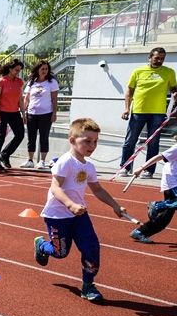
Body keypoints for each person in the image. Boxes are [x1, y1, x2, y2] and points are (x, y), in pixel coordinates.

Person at [33, 118, 127, 302]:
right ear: (72, 140)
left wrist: (115, 205)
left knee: (91, 247)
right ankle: (42, 245)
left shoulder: (89, 166)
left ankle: (88, 285)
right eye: (87, 141)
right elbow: (55, 188)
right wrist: (70, 204)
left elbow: (97, 189)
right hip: (58, 215)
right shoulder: (65, 162)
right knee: (60, 253)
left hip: (79, 216)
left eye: (95, 141)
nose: (92, 146)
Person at [120, 47, 177, 178]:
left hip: (158, 113)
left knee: (153, 143)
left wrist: (175, 94)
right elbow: (129, 91)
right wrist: (127, 109)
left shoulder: (169, 72)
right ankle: (125, 167)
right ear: (150, 57)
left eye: (162, 59)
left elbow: (174, 88)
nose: (159, 61)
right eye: (157, 58)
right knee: (130, 140)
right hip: (138, 111)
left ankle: (148, 170)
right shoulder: (138, 71)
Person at [130, 136, 177, 243]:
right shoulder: (176, 148)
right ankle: (156, 205)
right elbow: (158, 157)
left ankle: (141, 232)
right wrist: (141, 168)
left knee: (165, 218)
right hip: (172, 182)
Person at [20, 60, 59, 169]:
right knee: (31, 137)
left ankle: (42, 160)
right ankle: (30, 160)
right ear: (37, 69)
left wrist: (54, 113)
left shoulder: (52, 82)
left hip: (46, 114)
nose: (44, 71)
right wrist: (24, 112)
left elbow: (54, 99)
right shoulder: (32, 81)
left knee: (44, 137)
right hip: (32, 113)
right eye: (42, 69)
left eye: (46, 69)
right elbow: (27, 98)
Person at [0, 58, 26, 171]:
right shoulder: (1, 81)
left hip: (14, 112)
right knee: (1, 137)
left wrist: (23, 114)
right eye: (16, 70)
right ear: (10, 69)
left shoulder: (19, 82)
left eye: (19, 70)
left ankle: (5, 154)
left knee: (20, 134)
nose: (18, 72)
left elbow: (20, 99)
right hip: (2, 112)